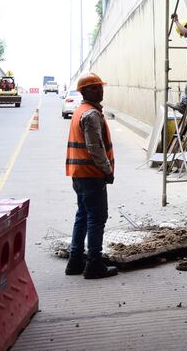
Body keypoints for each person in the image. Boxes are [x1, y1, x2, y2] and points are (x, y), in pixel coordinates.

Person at [65, 72, 118, 279]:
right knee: (97, 218)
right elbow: (95, 148)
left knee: (83, 216)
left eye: (100, 87)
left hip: (79, 174)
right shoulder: (91, 114)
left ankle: (75, 261)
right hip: (91, 174)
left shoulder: (80, 111)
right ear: (84, 92)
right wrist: (107, 170)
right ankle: (94, 263)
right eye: (94, 88)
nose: (99, 90)